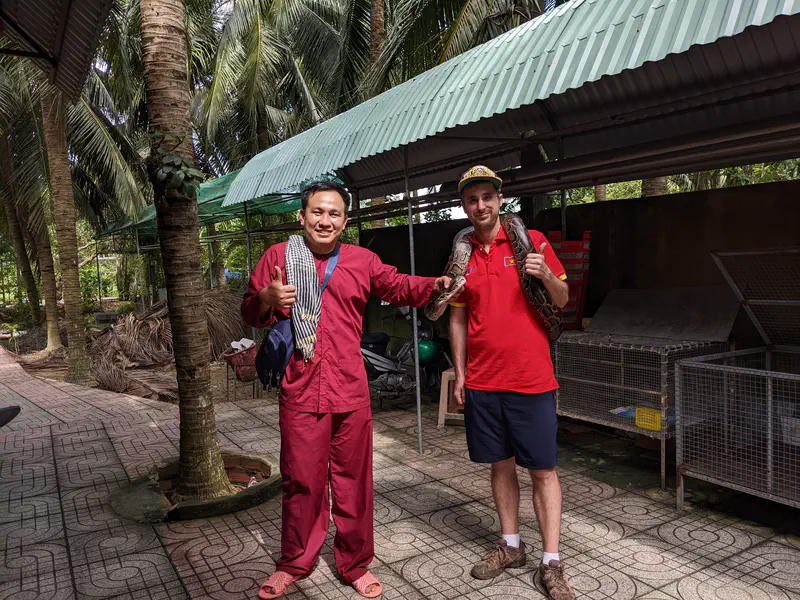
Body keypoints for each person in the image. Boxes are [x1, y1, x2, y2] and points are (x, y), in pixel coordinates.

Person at [241, 180, 451, 599]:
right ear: (301, 217)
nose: (325, 220)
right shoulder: (278, 257)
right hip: (300, 389)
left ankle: (354, 564)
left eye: (334, 213)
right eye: (317, 212)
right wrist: (266, 296)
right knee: (301, 480)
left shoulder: (361, 260)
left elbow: (397, 286)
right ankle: (295, 561)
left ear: (345, 220)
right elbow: (249, 311)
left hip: (351, 389)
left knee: (354, 481)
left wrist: (436, 285)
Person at [448, 166, 576, 600]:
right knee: (499, 465)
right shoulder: (463, 254)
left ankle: (552, 562)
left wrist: (544, 274)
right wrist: (461, 373)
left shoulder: (531, 241)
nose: (480, 206)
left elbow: (562, 299)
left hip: (531, 379)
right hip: (484, 381)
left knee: (543, 470)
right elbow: (458, 316)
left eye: (487, 197)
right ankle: (512, 546)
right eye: (471, 200)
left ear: (500, 200)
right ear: (464, 206)